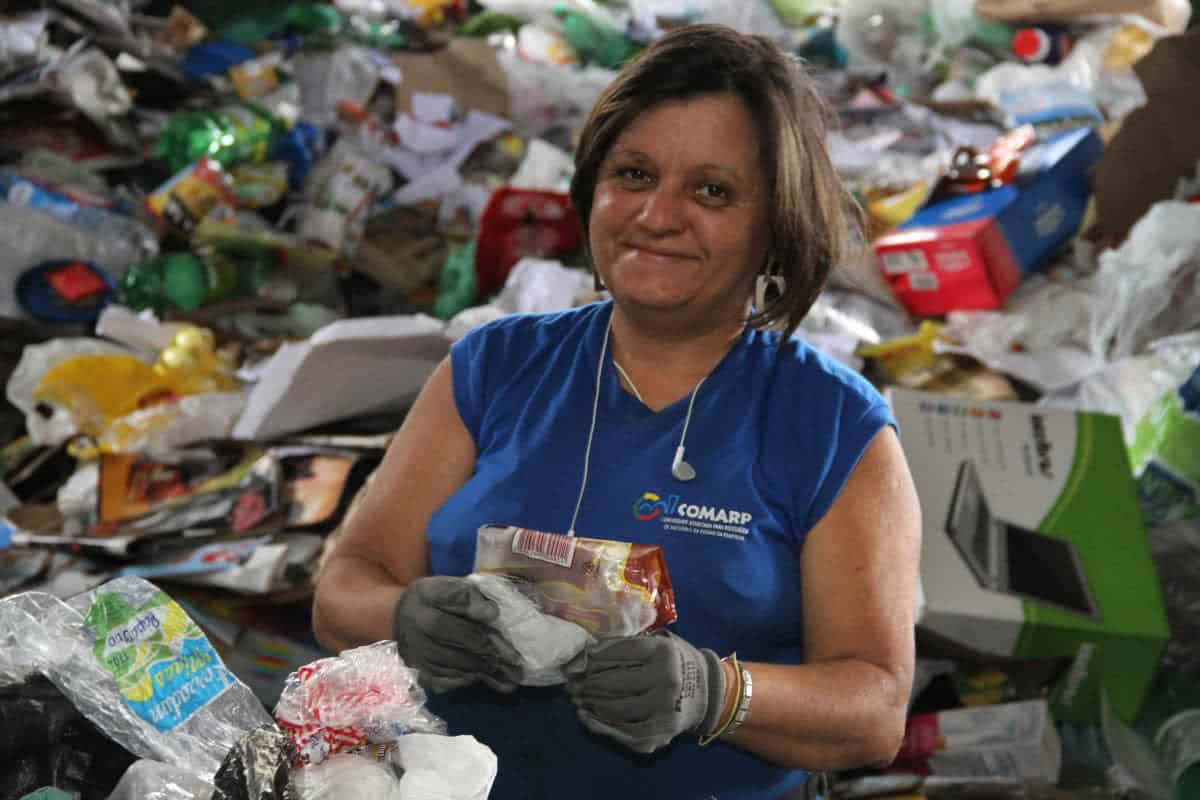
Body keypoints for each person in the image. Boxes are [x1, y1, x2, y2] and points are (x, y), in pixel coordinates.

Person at [313, 23, 922, 800]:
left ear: (776, 222)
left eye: (712, 191)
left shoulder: (835, 426)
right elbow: (343, 588)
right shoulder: (495, 368)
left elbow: (874, 709)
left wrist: (715, 692)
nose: (657, 215)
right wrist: (406, 615)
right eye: (633, 174)